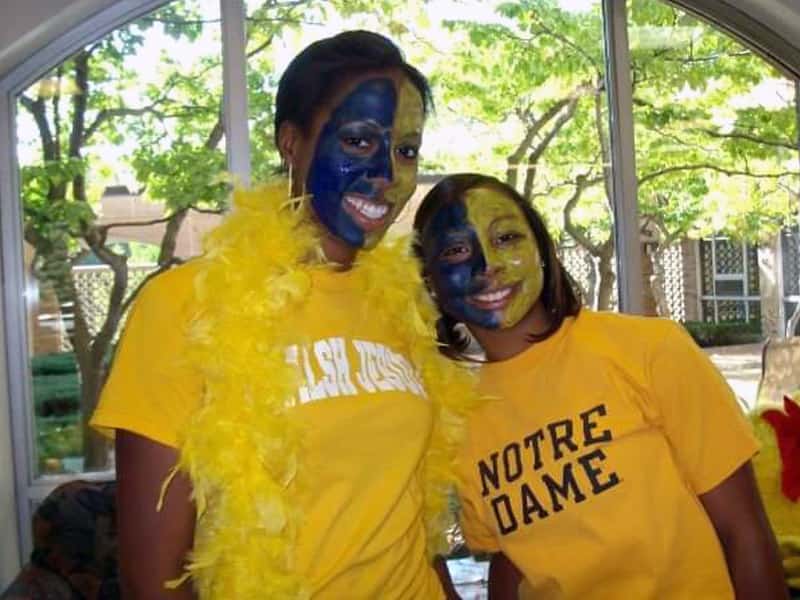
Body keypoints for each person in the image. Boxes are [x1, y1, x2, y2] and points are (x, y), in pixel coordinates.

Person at [91, 31, 477, 599]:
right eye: (358, 140)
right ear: (290, 143)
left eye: (406, 150)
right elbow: (154, 583)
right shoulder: (183, 305)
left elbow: (412, 521)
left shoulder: (403, 306)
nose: (388, 175)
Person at [413, 172, 788, 599]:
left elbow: (744, 530)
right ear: (430, 284)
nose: (488, 265)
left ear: (542, 249)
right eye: (457, 250)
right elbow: (511, 561)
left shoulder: (650, 349)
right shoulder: (459, 420)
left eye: (506, 238)